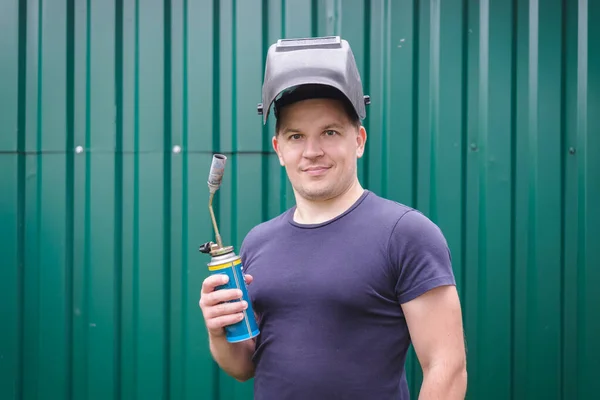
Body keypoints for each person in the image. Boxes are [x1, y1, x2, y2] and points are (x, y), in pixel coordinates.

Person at [199, 36, 467, 399]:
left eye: (329, 132)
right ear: (279, 149)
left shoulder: (405, 234)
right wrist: (219, 332)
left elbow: (446, 366)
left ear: (359, 140)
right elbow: (244, 366)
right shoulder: (258, 242)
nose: (312, 151)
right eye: (296, 136)